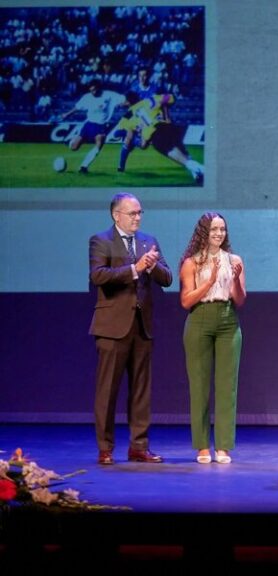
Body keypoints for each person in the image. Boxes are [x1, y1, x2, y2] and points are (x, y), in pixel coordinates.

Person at [89, 193, 172, 465]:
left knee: (140, 391)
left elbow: (168, 278)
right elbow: (98, 276)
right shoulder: (101, 240)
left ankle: (139, 446)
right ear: (116, 215)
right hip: (112, 327)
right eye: (132, 213)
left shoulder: (149, 241)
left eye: (140, 213)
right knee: (107, 392)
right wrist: (134, 269)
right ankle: (105, 448)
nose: (137, 217)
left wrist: (152, 266)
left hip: (142, 327)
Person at [179, 213, 246, 465]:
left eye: (222, 229)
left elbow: (240, 299)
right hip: (200, 320)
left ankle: (224, 446)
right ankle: (202, 446)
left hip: (228, 320)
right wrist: (208, 281)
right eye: (213, 229)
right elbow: (185, 301)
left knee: (227, 386)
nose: (219, 233)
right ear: (203, 233)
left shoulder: (235, 260)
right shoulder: (192, 262)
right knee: (199, 386)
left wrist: (235, 281)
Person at [115, 90, 204, 183]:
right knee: (182, 153)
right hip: (169, 127)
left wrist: (135, 139)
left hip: (155, 134)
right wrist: (165, 110)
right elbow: (170, 98)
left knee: (176, 155)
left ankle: (202, 169)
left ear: (127, 102)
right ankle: (197, 175)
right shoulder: (149, 100)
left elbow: (117, 133)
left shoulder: (128, 116)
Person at [61, 79, 124, 173]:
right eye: (91, 90)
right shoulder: (87, 97)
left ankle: (83, 166)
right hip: (89, 124)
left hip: (101, 125)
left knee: (99, 144)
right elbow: (78, 107)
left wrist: (121, 104)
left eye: (94, 90)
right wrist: (67, 114)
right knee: (74, 147)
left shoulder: (109, 95)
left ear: (99, 88)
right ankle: (70, 142)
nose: (93, 92)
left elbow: (123, 99)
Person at [118, 67, 161, 172]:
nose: (142, 78)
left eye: (144, 75)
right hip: (134, 118)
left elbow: (159, 103)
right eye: (140, 75)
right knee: (128, 139)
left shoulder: (155, 89)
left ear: (149, 76)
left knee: (143, 145)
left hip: (147, 120)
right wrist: (122, 104)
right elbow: (128, 102)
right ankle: (120, 167)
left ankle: (132, 141)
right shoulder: (134, 89)